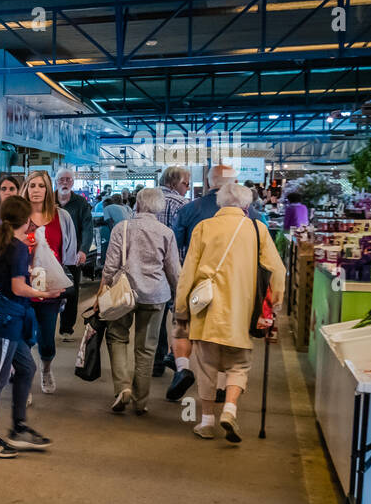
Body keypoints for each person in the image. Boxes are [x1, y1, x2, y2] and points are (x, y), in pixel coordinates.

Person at [173, 183, 285, 443]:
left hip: (206, 309)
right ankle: (231, 409)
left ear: (220, 203)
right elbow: (278, 271)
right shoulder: (258, 230)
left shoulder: (204, 228)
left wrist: (181, 310)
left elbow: (187, 272)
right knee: (239, 364)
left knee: (206, 364)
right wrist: (273, 308)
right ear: (246, 205)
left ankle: (206, 421)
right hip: (243, 311)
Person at [0, 195, 61, 458]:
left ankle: (19, 427)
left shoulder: (0, 242)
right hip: (7, 320)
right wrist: (45, 294)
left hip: (3, 317)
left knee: (26, 367)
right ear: (26, 219)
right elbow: (17, 287)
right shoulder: (18, 247)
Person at [99, 187, 181, 415]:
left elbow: (110, 265)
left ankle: (122, 387)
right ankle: (140, 401)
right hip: (155, 295)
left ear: (137, 204)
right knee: (146, 348)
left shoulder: (121, 228)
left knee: (117, 338)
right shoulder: (166, 232)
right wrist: (179, 298)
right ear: (159, 207)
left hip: (123, 293)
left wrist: (103, 288)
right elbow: (174, 271)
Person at [21, 170, 77, 394]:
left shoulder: (61, 216)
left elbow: (69, 252)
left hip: (50, 286)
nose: (36, 190)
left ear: (47, 190)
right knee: (23, 336)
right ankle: (23, 379)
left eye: (41, 186)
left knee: (46, 337)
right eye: (32, 185)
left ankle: (46, 369)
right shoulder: (18, 216)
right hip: (22, 284)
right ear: (26, 188)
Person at [152, 167, 192, 377]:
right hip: (178, 268)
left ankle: (157, 362)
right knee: (180, 316)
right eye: (186, 184)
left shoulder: (145, 201)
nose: (187, 188)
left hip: (152, 270)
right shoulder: (184, 205)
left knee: (156, 316)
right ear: (174, 183)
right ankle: (177, 359)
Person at [54, 168, 94, 339]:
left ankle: (66, 327)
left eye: (68, 179)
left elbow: (87, 228)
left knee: (71, 291)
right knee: (47, 289)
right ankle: (45, 325)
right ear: (56, 181)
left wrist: (83, 250)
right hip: (50, 254)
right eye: (62, 179)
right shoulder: (47, 200)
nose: (65, 182)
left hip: (72, 255)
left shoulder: (80, 203)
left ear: (73, 182)